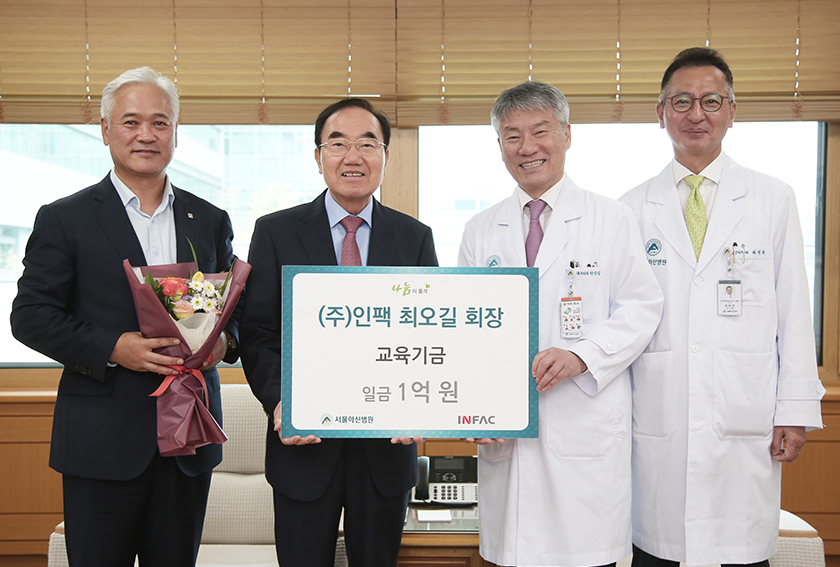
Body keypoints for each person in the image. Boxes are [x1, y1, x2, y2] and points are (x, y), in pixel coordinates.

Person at [10, 67, 239, 566]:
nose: (146, 134)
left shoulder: (209, 219)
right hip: (101, 441)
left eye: (160, 123)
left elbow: (231, 315)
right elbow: (30, 315)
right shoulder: (65, 218)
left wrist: (223, 344)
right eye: (131, 121)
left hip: (188, 440)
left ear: (175, 132)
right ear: (105, 129)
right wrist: (113, 347)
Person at [619, 47, 825, 567]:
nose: (697, 114)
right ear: (660, 112)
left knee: (739, 552)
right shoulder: (630, 208)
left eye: (711, 101)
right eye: (681, 101)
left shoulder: (772, 198)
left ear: (732, 112)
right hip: (659, 415)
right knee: (658, 549)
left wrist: (794, 410)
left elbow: (793, 313)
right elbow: (621, 321)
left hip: (744, 414)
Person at [458, 81, 663, 567]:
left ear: (567, 135)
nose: (526, 147)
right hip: (507, 439)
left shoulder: (611, 218)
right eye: (512, 136)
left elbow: (641, 306)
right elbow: (466, 329)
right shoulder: (480, 229)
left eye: (540, 131)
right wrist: (474, 409)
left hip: (583, 430)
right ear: (500, 145)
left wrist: (581, 355)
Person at [239, 97, 438, 567]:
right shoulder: (275, 232)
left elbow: (427, 335)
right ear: (318, 156)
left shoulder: (414, 237)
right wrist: (280, 402)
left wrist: (420, 405)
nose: (353, 156)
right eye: (338, 143)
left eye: (368, 144)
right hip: (303, 447)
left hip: (386, 450)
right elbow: (258, 332)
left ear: (385, 155)